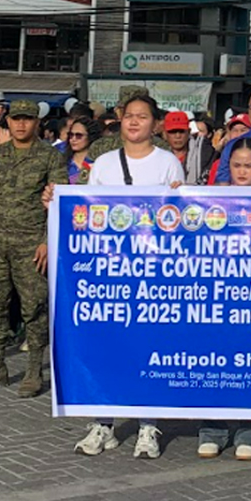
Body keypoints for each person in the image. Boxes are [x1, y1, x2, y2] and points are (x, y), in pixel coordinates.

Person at [74, 90, 183, 459]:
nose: (134, 121)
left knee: (148, 346)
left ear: (155, 124)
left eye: (143, 116)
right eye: (129, 115)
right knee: (108, 346)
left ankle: (148, 425)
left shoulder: (168, 163)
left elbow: (178, 217)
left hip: (153, 272)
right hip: (110, 269)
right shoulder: (103, 163)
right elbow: (87, 214)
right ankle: (102, 424)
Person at [0, 99, 68, 398]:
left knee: (34, 306)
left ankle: (34, 370)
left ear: (37, 123)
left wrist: (47, 241)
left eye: (28, 119)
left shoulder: (50, 157)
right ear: (7, 122)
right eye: (16, 119)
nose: (21, 124)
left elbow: (58, 202)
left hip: (30, 243)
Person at [199, 137, 251, 461]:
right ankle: (212, 430)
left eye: (249, 166)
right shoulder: (209, 200)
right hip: (216, 295)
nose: (242, 171)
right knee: (212, 360)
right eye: (237, 165)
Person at [163, 110, 213, 185]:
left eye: (181, 131)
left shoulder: (206, 155)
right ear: (165, 134)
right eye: (173, 132)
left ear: (189, 131)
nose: (178, 136)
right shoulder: (157, 156)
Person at [63, 117, 100, 185]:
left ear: (90, 136)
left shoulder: (99, 162)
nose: (73, 139)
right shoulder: (63, 161)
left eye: (78, 135)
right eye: (71, 135)